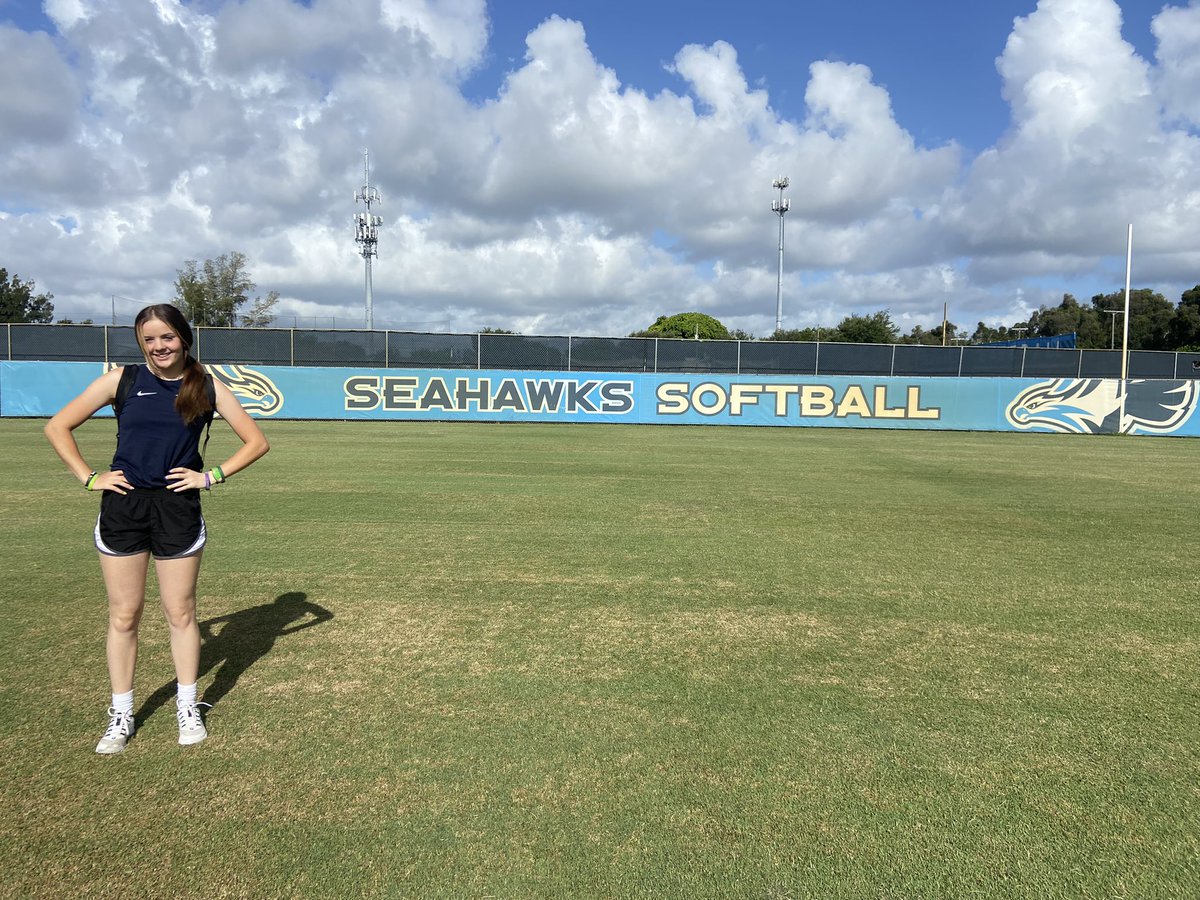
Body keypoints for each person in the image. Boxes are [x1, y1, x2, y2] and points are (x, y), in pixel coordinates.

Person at [45, 304, 269, 754]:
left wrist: (210, 476)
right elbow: (58, 426)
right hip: (124, 508)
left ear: (183, 338)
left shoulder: (205, 386)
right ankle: (121, 714)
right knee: (124, 615)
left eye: (166, 337)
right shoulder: (121, 380)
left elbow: (257, 442)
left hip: (178, 510)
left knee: (180, 613)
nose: (158, 347)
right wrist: (90, 477)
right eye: (149, 339)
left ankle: (187, 708)